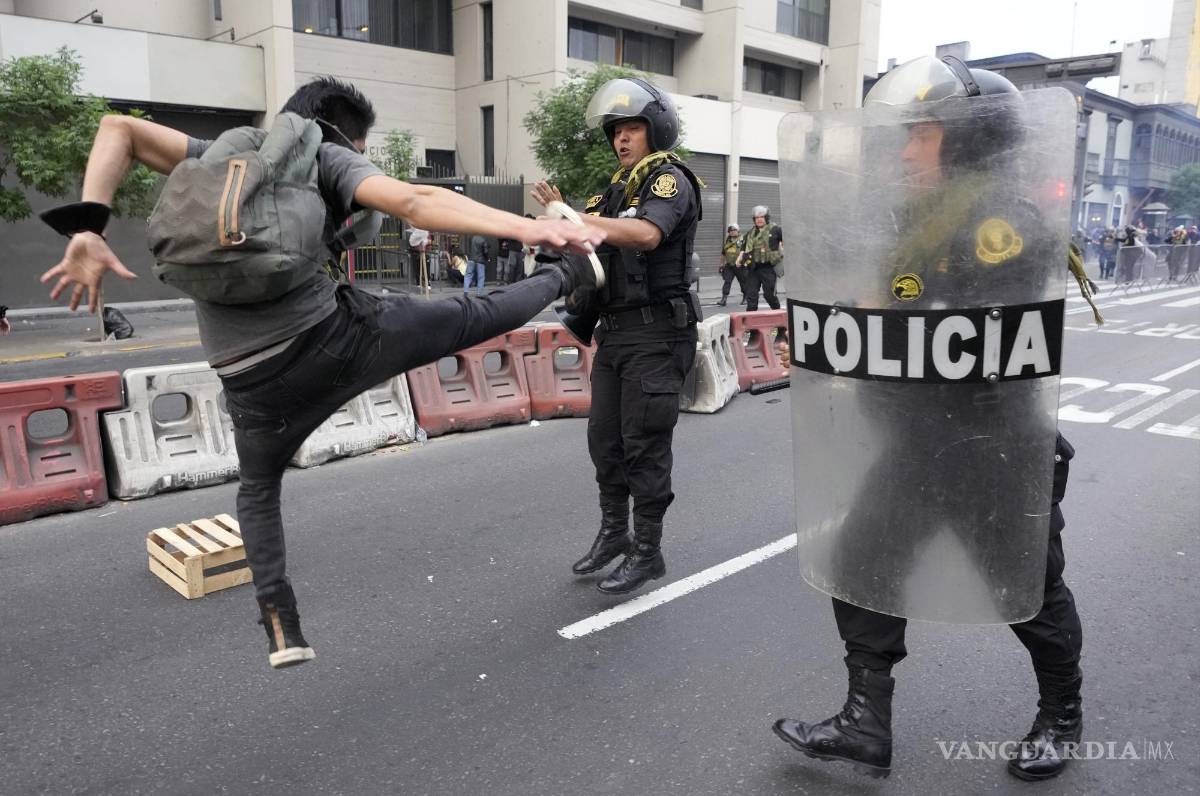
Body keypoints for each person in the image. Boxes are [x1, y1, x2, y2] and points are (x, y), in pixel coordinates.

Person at [39, 76, 604, 669]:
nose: (360, 158)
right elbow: (414, 201)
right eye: (363, 147)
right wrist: (531, 227)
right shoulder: (325, 154)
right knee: (468, 316)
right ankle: (567, 274)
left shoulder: (220, 155)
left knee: (258, 488)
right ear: (345, 134)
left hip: (246, 379)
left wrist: (88, 227)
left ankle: (281, 623)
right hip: (330, 342)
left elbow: (117, 129)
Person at [772, 56, 1086, 783]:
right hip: (916, 443)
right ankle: (865, 725)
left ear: (969, 141)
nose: (904, 148)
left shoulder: (1001, 222)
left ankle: (1062, 714)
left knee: (1027, 594)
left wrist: (881, 324)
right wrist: (834, 333)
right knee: (859, 566)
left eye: (921, 135)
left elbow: (975, 320)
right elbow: (902, 302)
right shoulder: (919, 222)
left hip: (992, 446)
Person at [530, 76, 701, 595]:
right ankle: (615, 535)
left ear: (655, 131)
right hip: (615, 336)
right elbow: (589, 247)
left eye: (632, 129)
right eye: (617, 132)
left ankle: (649, 551)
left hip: (657, 336)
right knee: (604, 443)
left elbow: (647, 233)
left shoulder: (669, 181)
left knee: (643, 445)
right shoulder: (611, 191)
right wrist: (564, 218)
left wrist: (576, 218)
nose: (622, 139)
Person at [740, 205, 782, 310]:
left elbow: (789, 242)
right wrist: (739, 260)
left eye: (761, 217)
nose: (759, 220)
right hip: (753, 268)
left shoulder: (775, 230)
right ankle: (751, 324)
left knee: (769, 295)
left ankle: (779, 316)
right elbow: (743, 249)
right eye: (757, 218)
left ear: (766, 218)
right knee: (751, 295)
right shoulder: (750, 234)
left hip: (768, 268)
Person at [717, 224, 746, 306]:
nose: (732, 232)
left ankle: (746, 298)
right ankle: (724, 299)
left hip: (740, 266)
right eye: (730, 231)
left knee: (743, 282)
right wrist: (721, 264)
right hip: (729, 266)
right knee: (727, 281)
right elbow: (723, 254)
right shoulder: (727, 241)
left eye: (734, 230)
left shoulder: (743, 240)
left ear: (738, 231)